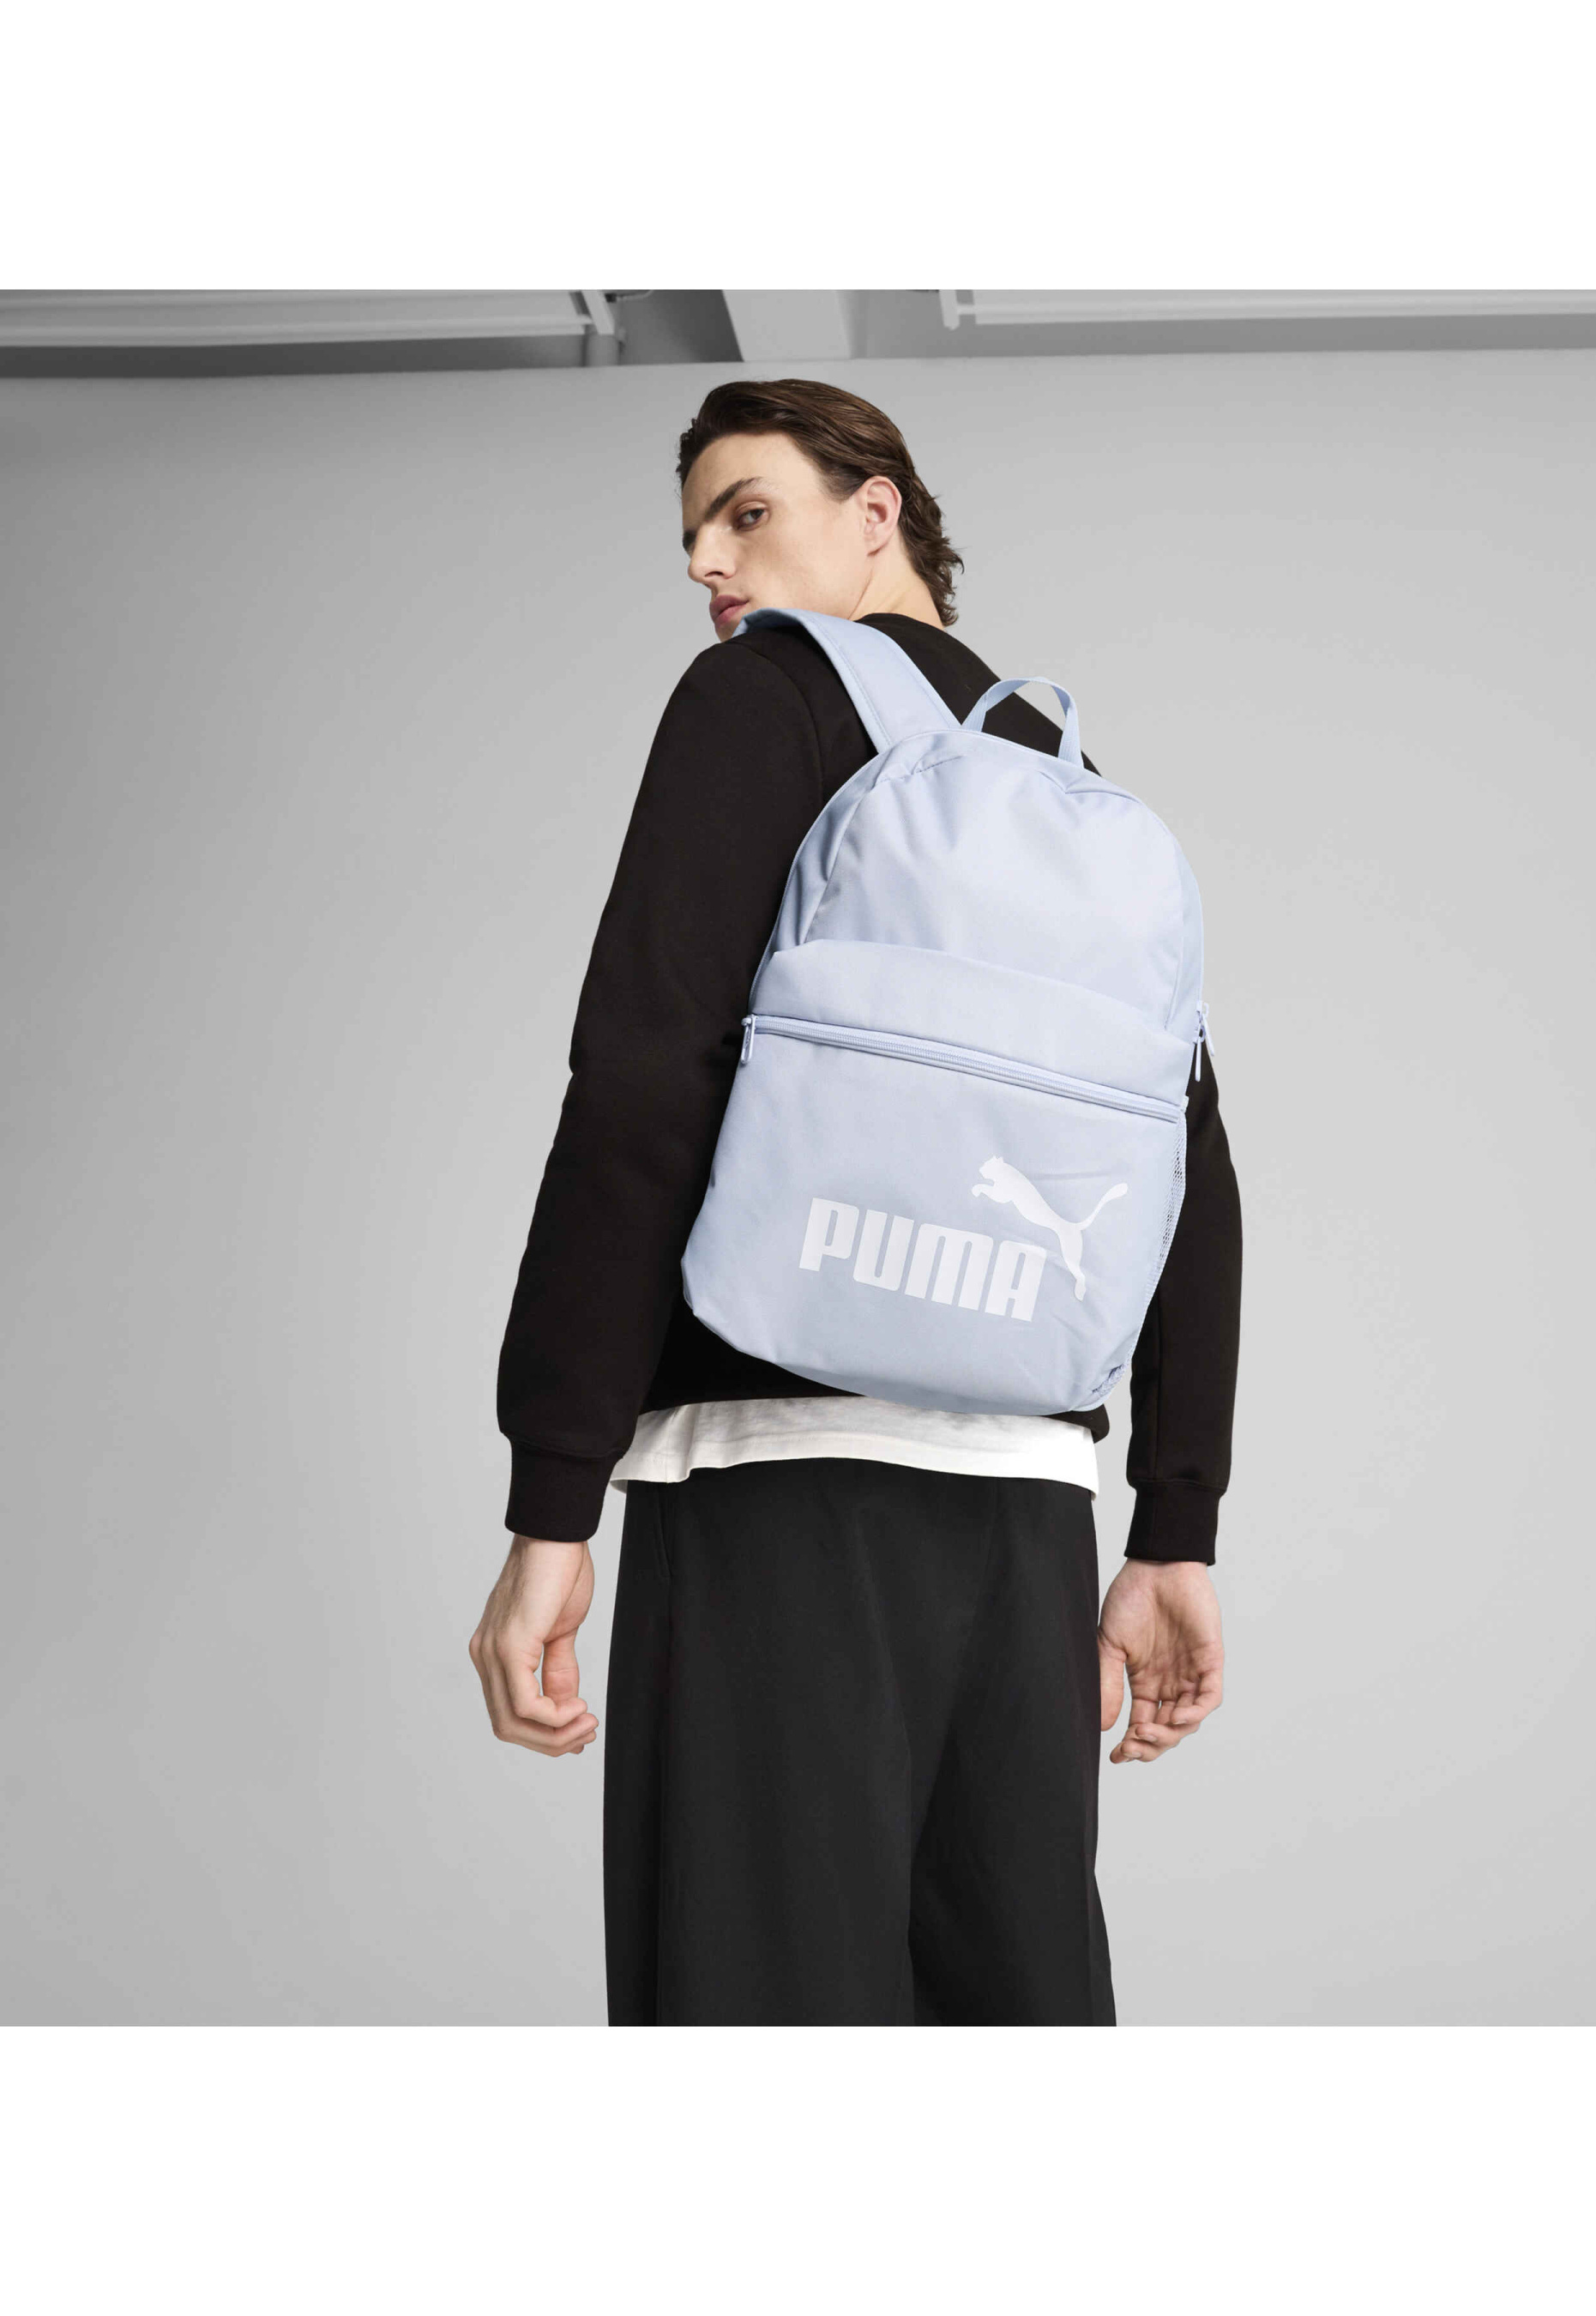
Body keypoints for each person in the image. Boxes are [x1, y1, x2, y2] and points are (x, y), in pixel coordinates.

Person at [469, 378, 1242, 2025]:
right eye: (693, 534)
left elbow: (642, 1083)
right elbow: (1183, 1157)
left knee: (757, 2007)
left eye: (745, 513)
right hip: (1026, 1519)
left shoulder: (761, 693)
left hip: (775, 1486)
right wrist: (1171, 1522)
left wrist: (553, 1498)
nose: (708, 563)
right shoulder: (1066, 777)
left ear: (874, 510)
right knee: (1010, 2011)